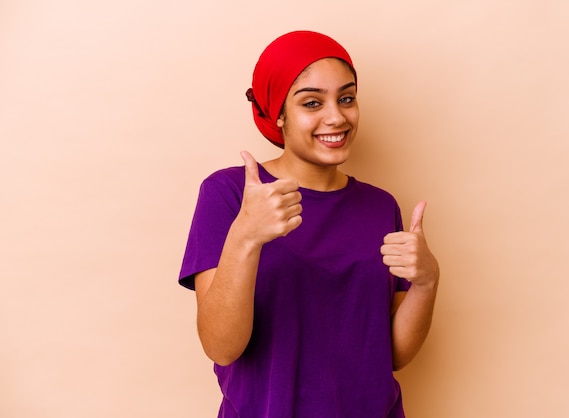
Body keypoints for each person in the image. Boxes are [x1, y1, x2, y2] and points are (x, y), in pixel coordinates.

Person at [179, 30, 439, 418]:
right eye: (312, 103)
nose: (336, 117)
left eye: (346, 98)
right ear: (279, 113)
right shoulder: (230, 194)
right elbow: (221, 346)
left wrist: (427, 282)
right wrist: (245, 239)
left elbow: (393, 355)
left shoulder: (380, 206)